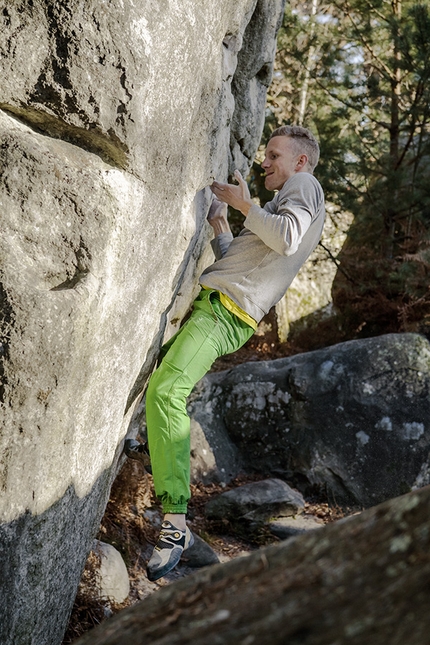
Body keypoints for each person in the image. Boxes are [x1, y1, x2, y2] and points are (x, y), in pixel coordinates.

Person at [139, 125, 326, 581]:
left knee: (166, 392)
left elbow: (286, 237)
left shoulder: (304, 185)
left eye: (275, 155)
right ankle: (151, 458)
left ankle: (176, 522)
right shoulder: (289, 195)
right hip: (220, 306)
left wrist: (246, 206)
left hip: (225, 313)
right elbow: (248, 261)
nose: (267, 162)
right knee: (159, 388)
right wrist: (225, 225)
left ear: (301, 161)